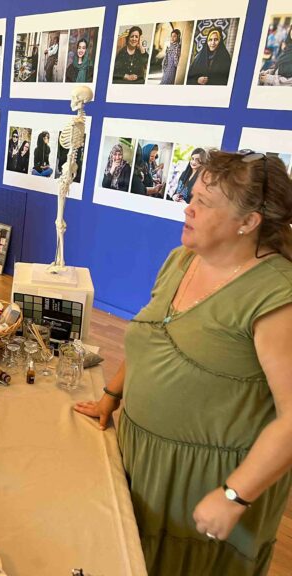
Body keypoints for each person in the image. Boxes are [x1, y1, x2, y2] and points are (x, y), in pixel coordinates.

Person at [75, 149, 292, 576]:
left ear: (248, 223)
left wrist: (234, 496)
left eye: (204, 203)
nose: (187, 208)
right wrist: (111, 395)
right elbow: (153, 335)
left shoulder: (275, 297)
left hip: (205, 480)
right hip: (142, 457)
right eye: (191, 195)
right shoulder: (182, 259)